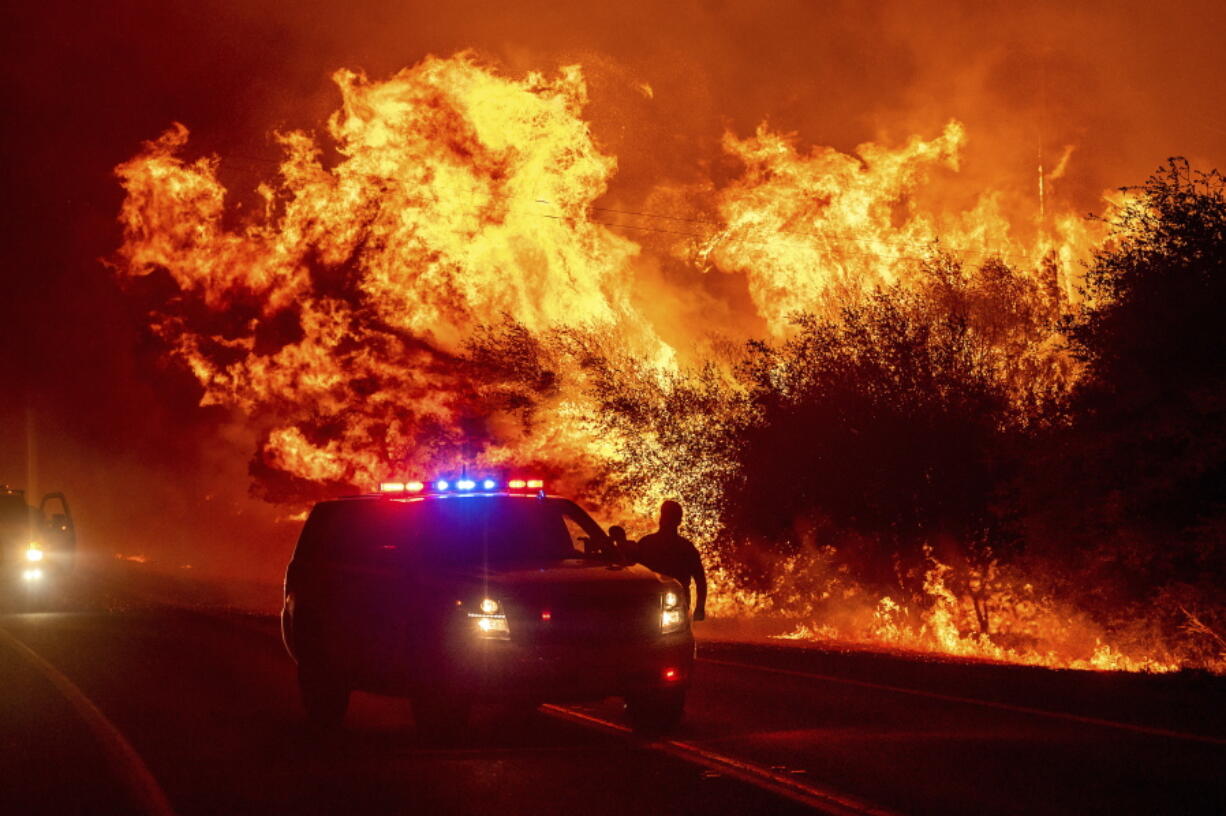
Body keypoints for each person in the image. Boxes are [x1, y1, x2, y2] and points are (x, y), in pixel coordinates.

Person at [633, 500, 707, 621]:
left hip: (669, 606)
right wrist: (700, 608)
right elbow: (700, 580)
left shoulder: (647, 543)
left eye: (669, 516)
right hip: (661, 605)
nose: (666, 520)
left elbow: (700, 579)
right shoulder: (685, 546)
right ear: (680, 521)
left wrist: (700, 607)